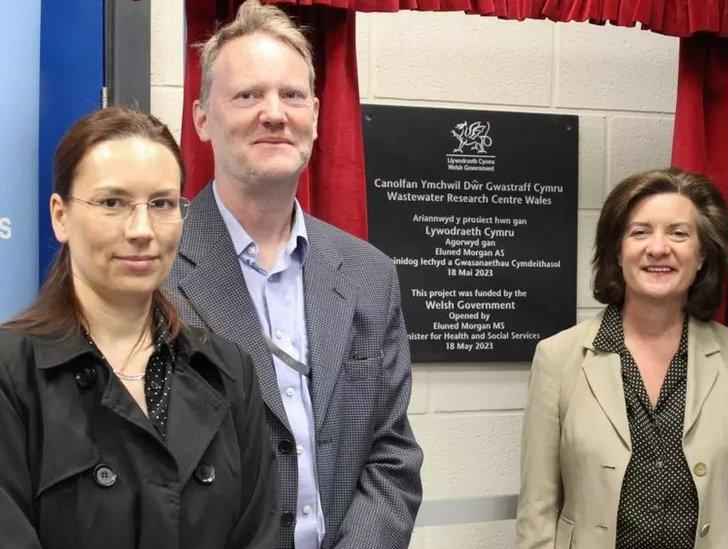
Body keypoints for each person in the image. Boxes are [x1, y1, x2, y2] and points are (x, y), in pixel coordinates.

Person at [165, 1, 422, 547]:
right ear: (202, 119)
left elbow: (392, 453)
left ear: (316, 114)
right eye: (248, 95)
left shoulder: (368, 275)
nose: (274, 113)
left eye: (292, 95)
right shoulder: (155, 270)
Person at [0, 107, 277, 548]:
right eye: (113, 203)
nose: (143, 229)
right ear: (61, 216)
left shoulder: (227, 372)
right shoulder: (11, 375)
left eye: (162, 204)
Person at [517, 168, 728, 548]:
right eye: (640, 232)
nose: (658, 248)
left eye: (678, 233)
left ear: (702, 254)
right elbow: (537, 509)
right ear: (617, 252)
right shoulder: (557, 358)